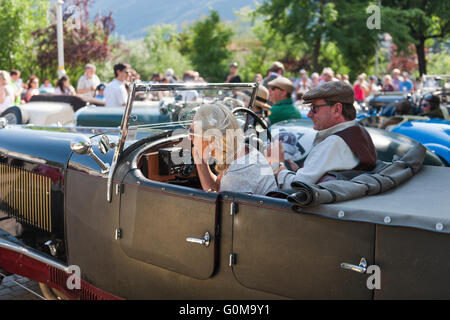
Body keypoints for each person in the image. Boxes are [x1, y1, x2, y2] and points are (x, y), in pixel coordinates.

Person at [266, 81, 377, 189]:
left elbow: (295, 187)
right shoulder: (359, 132)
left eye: (314, 108)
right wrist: (297, 171)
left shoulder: (334, 143)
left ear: (337, 110)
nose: (309, 115)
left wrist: (278, 165)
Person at [191, 103, 277, 195]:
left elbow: (216, 203)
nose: (190, 137)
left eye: (192, 132)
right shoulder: (240, 152)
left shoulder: (236, 174)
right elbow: (216, 188)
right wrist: (201, 163)